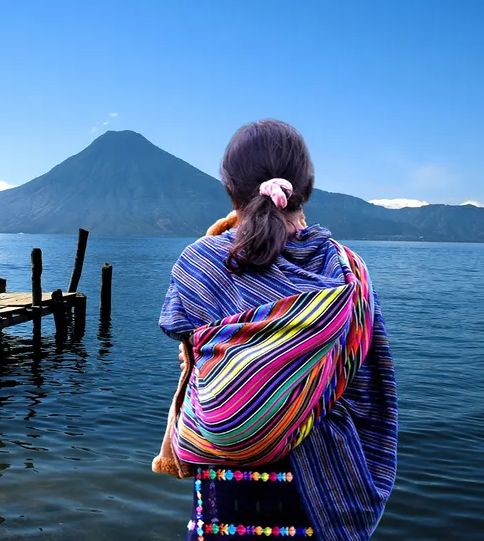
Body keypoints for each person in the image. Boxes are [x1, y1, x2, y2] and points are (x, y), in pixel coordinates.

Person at [158, 119, 397, 540]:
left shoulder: (201, 261)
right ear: (304, 187)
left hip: (226, 494)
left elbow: (190, 349)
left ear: (231, 189)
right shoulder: (349, 272)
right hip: (324, 492)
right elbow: (369, 384)